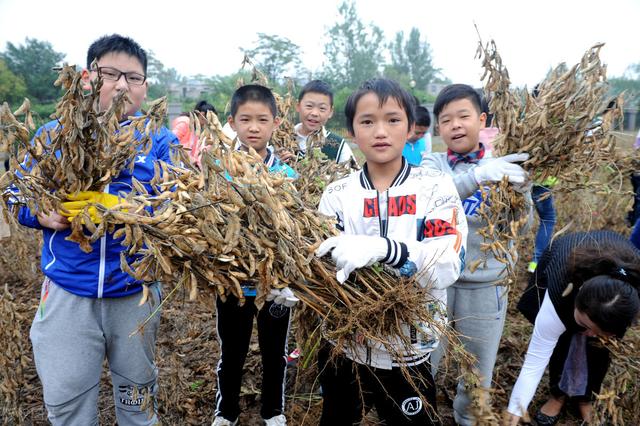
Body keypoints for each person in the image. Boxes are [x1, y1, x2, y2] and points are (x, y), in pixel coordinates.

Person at [14, 34, 176, 425]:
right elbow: (16, 193)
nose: (122, 85)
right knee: (69, 406)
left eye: (133, 78)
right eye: (110, 74)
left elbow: (181, 206)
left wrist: (130, 210)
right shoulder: (55, 135)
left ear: (145, 87)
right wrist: (42, 213)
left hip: (134, 295)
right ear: (87, 79)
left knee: (138, 401)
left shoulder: (160, 142)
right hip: (68, 295)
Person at [315, 78, 468, 425]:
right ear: (351, 131)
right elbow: (322, 261)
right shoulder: (338, 193)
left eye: (393, 120)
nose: (380, 131)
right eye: (367, 121)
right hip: (344, 343)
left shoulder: (434, 189)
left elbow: (447, 262)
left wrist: (389, 250)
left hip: (407, 349)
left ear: (412, 127)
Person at [421, 84, 532, 426]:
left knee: (476, 372)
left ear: (481, 120)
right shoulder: (431, 163)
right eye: (446, 120)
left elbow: (523, 227)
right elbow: (432, 199)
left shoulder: (504, 167)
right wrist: (478, 176)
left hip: (486, 286)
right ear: (438, 128)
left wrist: (518, 194)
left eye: (463, 116)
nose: (455, 125)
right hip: (434, 285)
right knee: (423, 364)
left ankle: (467, 420)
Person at [213, 84, 297, 426]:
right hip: (234, 279)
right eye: (245, 119)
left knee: (275, 350)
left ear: (276, 123)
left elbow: (295, 229)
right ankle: (226, 411)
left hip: (274, 282)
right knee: (231, 349)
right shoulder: (219, 169)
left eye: (262, 119)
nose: (254, 127)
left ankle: (273, 411)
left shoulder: (286, 175)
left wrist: (290, 279)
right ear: (231, 122)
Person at [507, 230, 640, 425]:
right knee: (563, 339)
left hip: (616, 267)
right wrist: (514, 410)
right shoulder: (559, 294)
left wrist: (599, 334)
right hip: (566, 265)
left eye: (600, 331)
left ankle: (586, 398)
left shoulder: (629, 299)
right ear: (576, 301)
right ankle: (558, 394)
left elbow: (600, 329)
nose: (590, 334)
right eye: (586, 325)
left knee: (599, 348)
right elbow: (534, 364)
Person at [280, 79, 356, 165]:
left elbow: (352, 175)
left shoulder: (337, 145)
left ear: (330, 112)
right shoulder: (282, 139)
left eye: (322, 108)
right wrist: (279, 164)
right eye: (309, 106)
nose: (315, 113)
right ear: (298, 106)